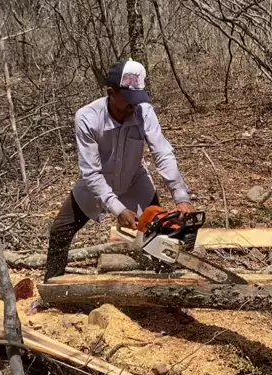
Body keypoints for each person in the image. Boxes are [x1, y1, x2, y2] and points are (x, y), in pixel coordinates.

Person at [45, 59, 194, 280]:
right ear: (111, 92)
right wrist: (118, 209)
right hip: (96, 183)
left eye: (137, 97)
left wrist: (181, 196)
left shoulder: (144, 112)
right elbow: (91, 173)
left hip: (134, 179)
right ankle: (52, 288)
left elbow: (162, 153)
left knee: (160, 234)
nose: (134, 104)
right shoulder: (87, 118)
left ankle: (167, 286)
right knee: (60, 231)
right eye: (128, 98)